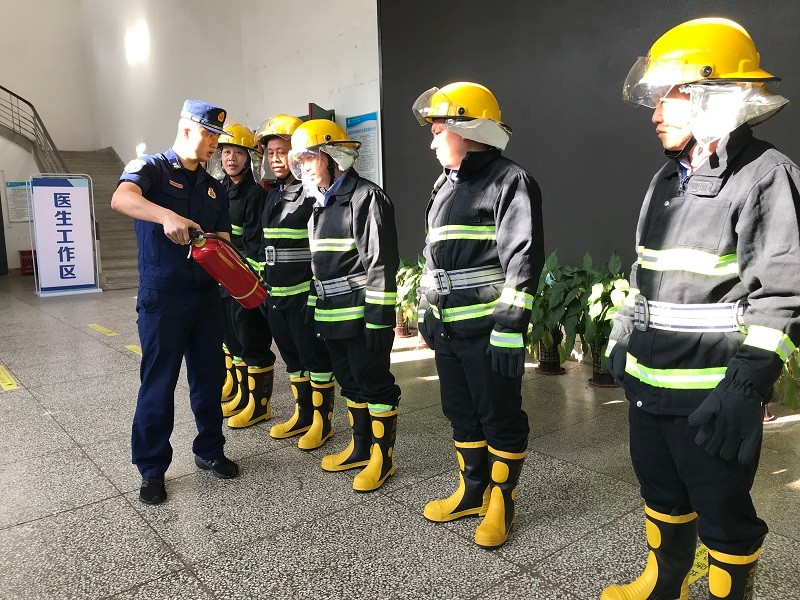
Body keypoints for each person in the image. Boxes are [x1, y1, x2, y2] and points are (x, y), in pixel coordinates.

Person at [603, 18, 800, 599]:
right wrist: (621, 336)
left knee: (723, 512)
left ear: (716, 94)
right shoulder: (666, 180)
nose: (655, 112)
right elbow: (643, 271)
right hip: (648, 389)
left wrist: (744, 388)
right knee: (661, 494)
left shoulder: (767, 177)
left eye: (671, 94)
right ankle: (664, 582)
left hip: (711, 400)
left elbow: (783, 295)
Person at [411, 82, 544, 549]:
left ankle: (501, 502)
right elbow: (431, 254)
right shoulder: (443, 187)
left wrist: (509, 329)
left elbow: (523, 260)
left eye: (438, 131)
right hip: (448, 328)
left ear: (468, 130)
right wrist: (426, 307)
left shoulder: (511, 181)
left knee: (499, 416)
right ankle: (472, 492)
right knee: (460, 413)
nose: (431, 143)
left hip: (487, 331)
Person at [111, 99, 240, 505]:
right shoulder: (151, 168)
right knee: (159, 382)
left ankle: (210, 450)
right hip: (163, 297)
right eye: (209, 135)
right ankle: (151, 469)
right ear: (186, 130)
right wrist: (165, 215)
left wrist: (225, 257)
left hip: (206, 297)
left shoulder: (214, 187)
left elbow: (224, 239)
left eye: (217, 137)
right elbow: (122, 199)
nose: (215, 144)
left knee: (209, 378)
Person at [288, 119, 401, 492]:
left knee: (374, 384)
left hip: (360, 316)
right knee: (350, 383)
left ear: (331, 156)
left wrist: (379, 320)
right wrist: (312, 303)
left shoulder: (366, 197)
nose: (303, 166)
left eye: (309, 157)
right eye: (300, 159)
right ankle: (360, 448)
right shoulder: (321, 202)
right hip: (331, 314)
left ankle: (382, 460)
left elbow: (381, 263)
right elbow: (319, 263)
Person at [257, 114, 336, 449]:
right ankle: (302, 415)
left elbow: (321, 246)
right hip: (277, 296)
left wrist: (316, 296)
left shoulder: (310, 192)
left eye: (282, 152)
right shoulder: (273, 194)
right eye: (270, 152)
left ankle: (322, 422)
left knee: (315, 360)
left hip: (304, 295)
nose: (276, 159)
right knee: (292, 360)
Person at [214, 120, 276, 428]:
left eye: (238, 153)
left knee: (253, 343)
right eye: (226, 152)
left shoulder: (254, 195)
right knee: (232, 341)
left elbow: (254, 245)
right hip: (223, 281)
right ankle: (240, 394)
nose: (231, 158)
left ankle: (259, 405)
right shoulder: (219, 191)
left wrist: (246, 285)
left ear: (248, 157)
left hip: (245, 282)